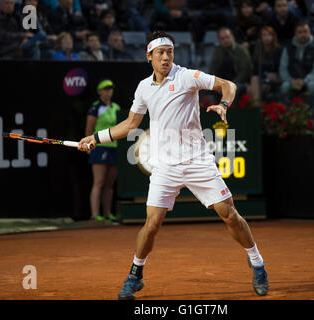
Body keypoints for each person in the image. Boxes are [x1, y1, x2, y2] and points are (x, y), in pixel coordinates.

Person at [77, 30, 269, 300]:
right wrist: (97, 137)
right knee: (152, 224)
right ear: (150, 57)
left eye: (170, 52)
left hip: (197, 160)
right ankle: (135, 275)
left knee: (229, 213)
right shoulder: (143, 87)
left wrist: (224, 103)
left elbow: (228, 85)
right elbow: (131, 124)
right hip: (165, 165)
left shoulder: (187, 76)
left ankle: (257, 262)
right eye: (160, 53)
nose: (166, 57)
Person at [85, 79, 120, 223]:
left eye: (110, 89)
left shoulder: (116, 107)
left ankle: (107, 214)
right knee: (99, 182)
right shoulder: (95, 108)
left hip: (114, 147)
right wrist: (88, 147)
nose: (108, 91)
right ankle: (95, 215)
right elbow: (89, 129)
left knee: (109, 184)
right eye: (105, 89)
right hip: (98, 148)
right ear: (100, 92)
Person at [279, 21, 314, 107]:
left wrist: (304, 81)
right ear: (295, 34)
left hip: (309, 80)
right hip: (291, 80)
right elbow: (283, 69)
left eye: (305, 31)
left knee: (312, 87)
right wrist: (290, 80)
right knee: (284, 87)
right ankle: (285, 115)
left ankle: (312, 115)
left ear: (309, 33)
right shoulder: (288, 49)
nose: (303, 34)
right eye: (300, 32)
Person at [209, 27, 253, 98]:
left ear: (232, 37)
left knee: (236, 90)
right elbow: (212, 70)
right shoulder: (217, 51)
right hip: (222, 84)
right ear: (219, 40)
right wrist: (217, 85)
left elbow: (245, 72)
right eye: (222, 39)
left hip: (238, 82)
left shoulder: (241, 51)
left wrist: (230, 85)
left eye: (227, 37)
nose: (225, 40)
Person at [248, 26, 282, 103]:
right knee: (253, 83)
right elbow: (255, 71)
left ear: (273, 37)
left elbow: (280, 68)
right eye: (264, 35)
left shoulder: (279, 50)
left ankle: (256, 108)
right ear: (261, 37)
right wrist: (265, 76)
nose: (267, 38)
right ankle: (257, 107)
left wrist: (272, 76)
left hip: (277, 78)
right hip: (262, 79)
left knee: (252, 88)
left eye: (269, 35)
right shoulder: (257, 50)